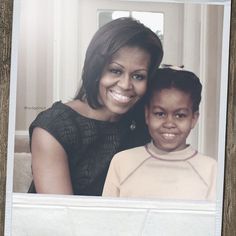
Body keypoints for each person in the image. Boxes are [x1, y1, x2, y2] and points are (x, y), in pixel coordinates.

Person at [28, 17, 163, 195]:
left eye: (138, 76)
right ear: (96, 69)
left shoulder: (143, 121)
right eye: (115, 71)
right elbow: (59, 218)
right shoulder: (53, 128)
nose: (125, 85)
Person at [102, 67, 217, 201]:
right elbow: (107, 219)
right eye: (160, 114)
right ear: (147, 115)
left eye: (180, 115)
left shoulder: (211, 170)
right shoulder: (122, 162)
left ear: (193, 119)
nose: (169, 123)